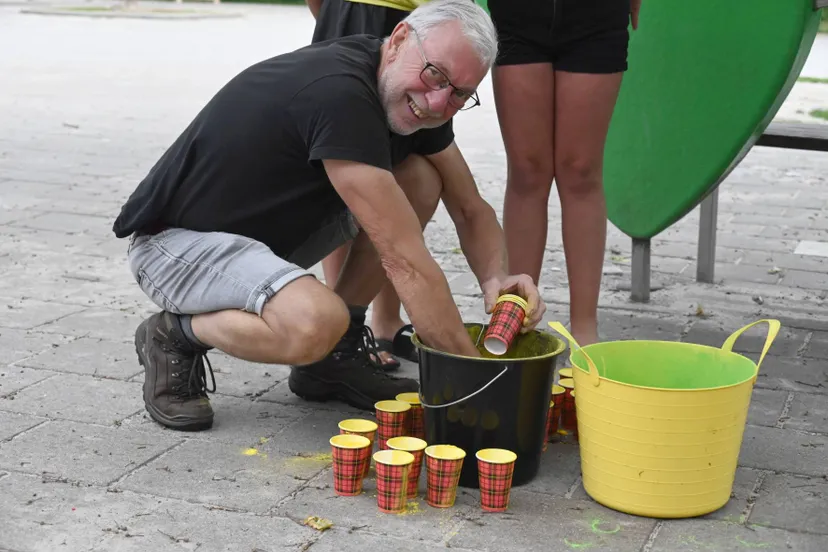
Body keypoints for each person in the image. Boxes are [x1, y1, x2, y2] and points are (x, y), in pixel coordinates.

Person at [112, 0, 546, 432]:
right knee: (315, 321)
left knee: (421, 178)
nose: (436, 102)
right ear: (397, 41)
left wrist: (496, 279)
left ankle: (332, 362)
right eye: (435, 75)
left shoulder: (412, 88)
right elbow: (405, 260)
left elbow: (470, 208)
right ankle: (175, 333)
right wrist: (479, 383)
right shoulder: (341, 94)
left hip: (259, 245)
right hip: (175, 247)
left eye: (459, 94)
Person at [488, 0, 642, 346]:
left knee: (581, 170)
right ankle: (516, 316)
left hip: (595, 16)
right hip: (519, 18)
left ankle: (585, 329)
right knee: (528, 170)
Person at [305, 0, 441, 370]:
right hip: (358, 8)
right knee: (346, 160)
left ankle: (386, 319)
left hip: (433, 15)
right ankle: (342, 323)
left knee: (411, 162)